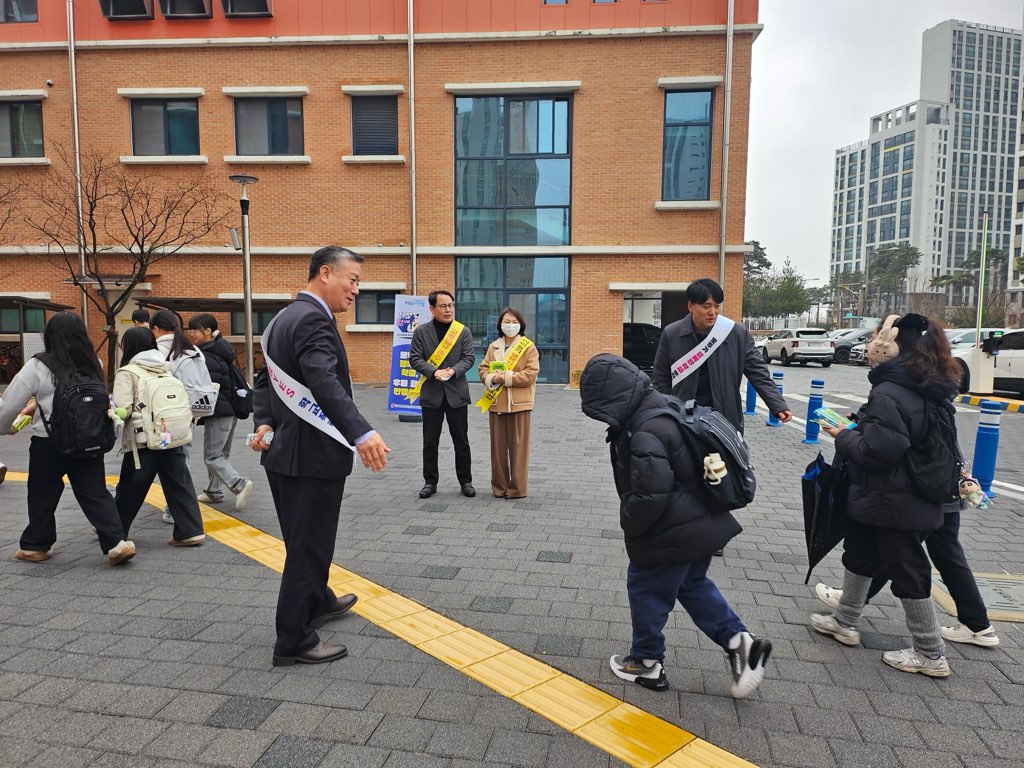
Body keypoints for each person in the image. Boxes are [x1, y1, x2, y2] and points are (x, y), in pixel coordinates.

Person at [580, 353, 772, 698]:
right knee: (692, 584)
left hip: (671, 530)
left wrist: (631, 525)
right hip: (700, 522)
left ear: (614, 398)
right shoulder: (664, 405)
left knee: (646, 588)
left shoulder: (644, 430)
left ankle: (646, 662)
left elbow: (651, 495)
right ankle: (741, 642)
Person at [251, 246, 389, 667]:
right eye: (353, 280)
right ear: (325, 273)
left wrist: (263, 422)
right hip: (311, 458)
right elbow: (323, 381)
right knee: (308, 546)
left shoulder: (282, 318)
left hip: (284, 455)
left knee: (302, 541)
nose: (356, 290)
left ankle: (318, 600)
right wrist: (361, 432)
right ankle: (293, 639)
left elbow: (264, 378)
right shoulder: (313, 319)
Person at [810, 313, 959, 677]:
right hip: (898, 492)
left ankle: (930, 652)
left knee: (907, 569)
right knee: (861, 552)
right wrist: (862, 424)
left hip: (896, 496)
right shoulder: (925, 384)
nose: (872, 344)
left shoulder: (891, 391)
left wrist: (843, 435)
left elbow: (879, 451)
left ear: (891, 346)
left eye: (878, 337)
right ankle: (845, 621)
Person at [0, 312, 135, 565]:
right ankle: (117, 542)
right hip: (88, 437)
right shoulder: (94, 361)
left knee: (42, 491)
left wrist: (5, 428)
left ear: (49, 336)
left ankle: (36, 546)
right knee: (94, 491)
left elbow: (10, 404)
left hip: (49, 441)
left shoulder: (39, 364)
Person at [652, 278, 791, 432]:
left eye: (716, 306)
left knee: (723, 457)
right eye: (706, 306)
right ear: (691, 306)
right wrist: (661, 415)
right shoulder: (672, 334)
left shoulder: (736, 334)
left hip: (725, 417)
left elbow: (758, 372)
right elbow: (661, 380)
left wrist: (777, 404)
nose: (713, 312)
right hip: (684, 417)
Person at [113, 327, 206, 547]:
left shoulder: (128, 372)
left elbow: (123, 409)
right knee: (179, 483)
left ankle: (113, 530)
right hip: (169, 436)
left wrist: (111, 410)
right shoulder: (165, 368)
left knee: (130, 487)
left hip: (145, 440)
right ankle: (190, 531)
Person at [409, 289, 475, 498]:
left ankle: (466, 481)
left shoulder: (462, 331)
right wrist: (433, 372)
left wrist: (454, 371)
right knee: (430, 442)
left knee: (461, 441)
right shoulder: (421, 332)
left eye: (451, 305)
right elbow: (415, 358)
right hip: (432, 395)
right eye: (443, 306)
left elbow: (469, 358)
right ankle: (430, 482)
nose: (448, 310)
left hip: (457, 394)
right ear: (432, 308)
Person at [186, 313, 254, 511]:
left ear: (207, 331)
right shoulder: (220, 349)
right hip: (229, 409)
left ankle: (239, 484)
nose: (191, 334)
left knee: (213, 456)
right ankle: (214, 491)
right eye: (190, 330)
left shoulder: (205, 356)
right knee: (220, 454)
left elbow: (204, 386)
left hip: (218, 410)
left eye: (195, 330)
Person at [477, 307, 540, 499]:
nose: (510, 325)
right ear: (500, 325)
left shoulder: (528, 347)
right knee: (497, 450)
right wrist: (491, 379)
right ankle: (499, 487)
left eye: (514, 322)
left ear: (520, 324)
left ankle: (517, 489)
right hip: (496, 404)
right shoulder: (493, 346)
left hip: (520, 405)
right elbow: (483, 369)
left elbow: (530, 375)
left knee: (519, 450)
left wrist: (506, 377)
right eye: (506, 321)